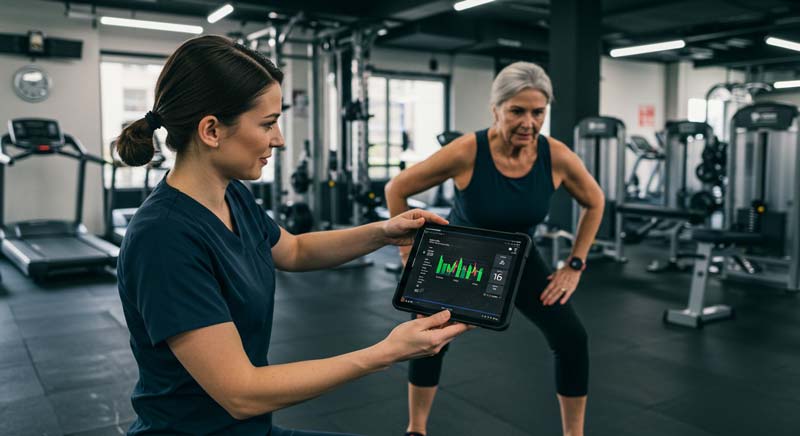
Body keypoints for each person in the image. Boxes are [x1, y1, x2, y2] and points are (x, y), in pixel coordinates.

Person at [114, 35, 469, 436]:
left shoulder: (233, 195)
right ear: (211, 130)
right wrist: (386, 353)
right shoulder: (163, 238)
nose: (279, 139)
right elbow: (241, 392)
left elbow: (296, 250)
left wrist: (385, 232)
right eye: (267, 124)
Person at [384, 61, 605, 436]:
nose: (528, 123)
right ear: (496, 109)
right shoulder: (468, 150)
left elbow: (595, 201)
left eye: (538, 113)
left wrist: (574, 264)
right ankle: (416, 429)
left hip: (519, 260)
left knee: (571, 337)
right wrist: (409, 255)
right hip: (461, 258)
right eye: (517, 111)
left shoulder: (557, 156)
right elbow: (397, 189)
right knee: (427, 337)